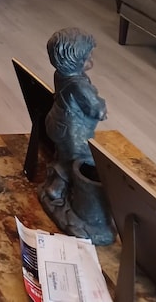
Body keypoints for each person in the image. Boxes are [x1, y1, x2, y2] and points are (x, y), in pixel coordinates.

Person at [42, 27, 107, 204]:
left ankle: (56, 184)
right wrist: (101, 104)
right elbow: (97, 110)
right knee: (82, 160)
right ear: (77, 61)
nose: (91, 60)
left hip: (56, 121)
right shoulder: (79, 85)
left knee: (65, 155)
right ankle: (60, 188)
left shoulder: (60, 74)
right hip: (73, 130)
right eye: (88, 57)